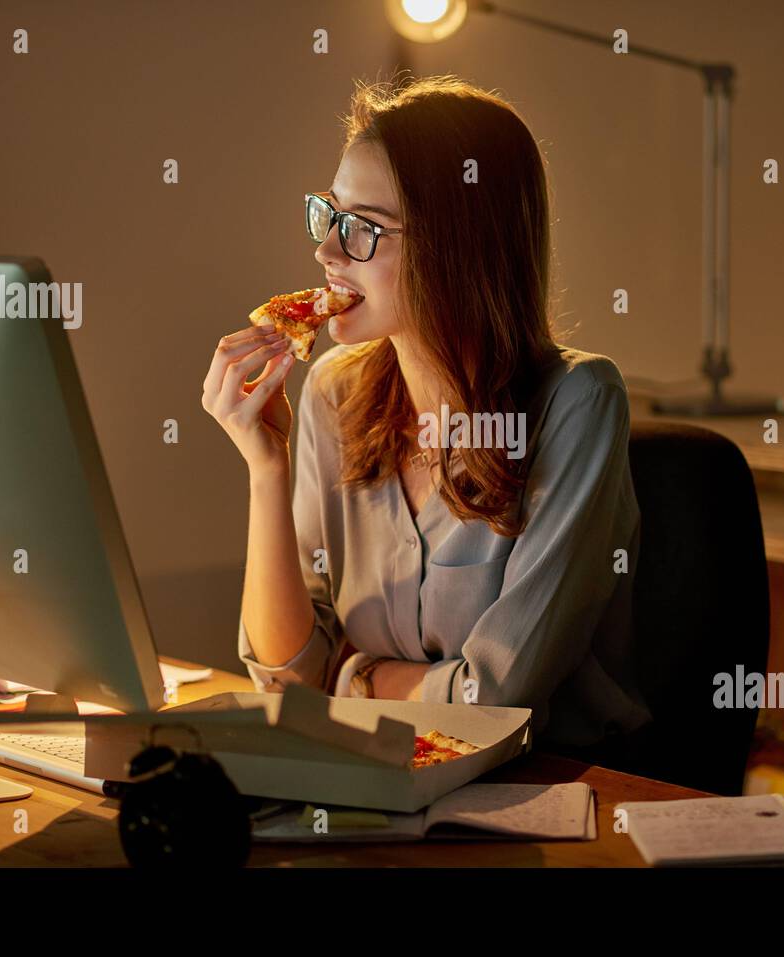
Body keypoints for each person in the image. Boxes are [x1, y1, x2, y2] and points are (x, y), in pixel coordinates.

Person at [200, 76, 655, 759]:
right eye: (329, 215)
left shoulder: (579, 402)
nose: (326, 253)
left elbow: (495, 697)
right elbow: (287, 681)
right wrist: (265, 468)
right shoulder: (330, 394)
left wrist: (351, 678)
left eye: (363, 230)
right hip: (385, 777)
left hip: (550, 795)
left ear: (457, 243)